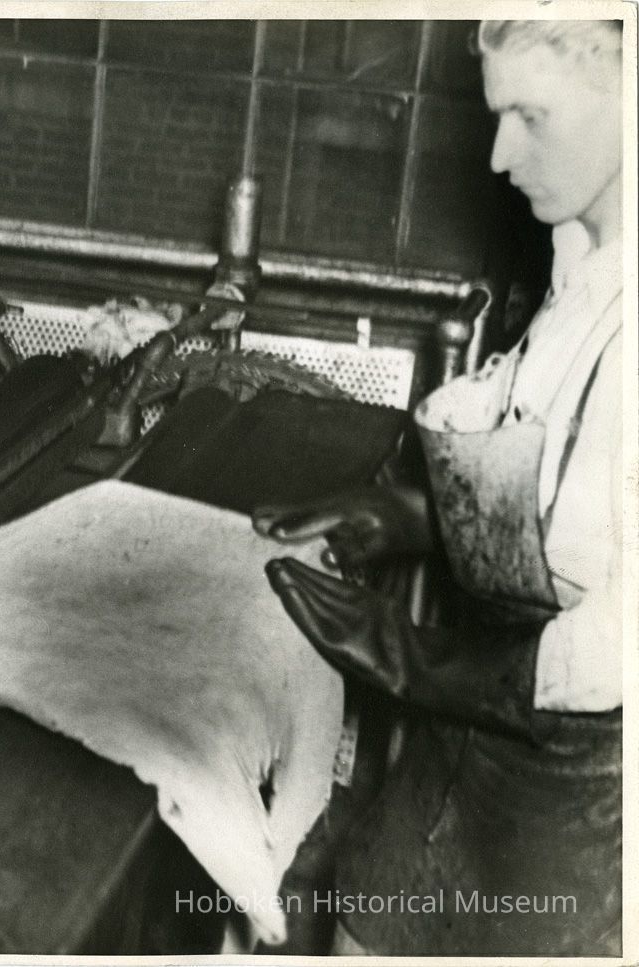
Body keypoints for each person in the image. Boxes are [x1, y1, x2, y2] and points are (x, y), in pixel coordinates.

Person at [252, 18, 624, 956]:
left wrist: (409, 657)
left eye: (530, 116)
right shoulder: (585, 261)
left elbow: (618, 646)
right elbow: (560, 493)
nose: (499, 155)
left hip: (583, 793)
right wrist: (405, 514)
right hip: (470, 737)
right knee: (360, 922)